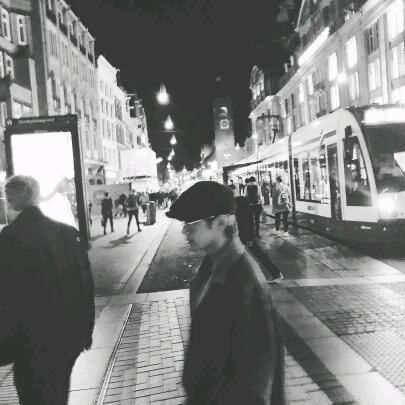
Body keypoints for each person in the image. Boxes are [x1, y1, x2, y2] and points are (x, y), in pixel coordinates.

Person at [166, 181, 285, 405]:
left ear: (220, 222)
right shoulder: (213, 266)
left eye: (191, 223)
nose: (184, 230)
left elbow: (254, 382)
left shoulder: (244, 282)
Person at [0, 175, 95, 405]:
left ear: (17, 198)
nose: (7, 201)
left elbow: (6, 293)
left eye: (8, 196)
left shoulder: (10, 237)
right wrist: (86, 329)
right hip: (68, 334)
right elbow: (85, 283)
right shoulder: (66, 233)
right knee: (59, 390)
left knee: (32, 394)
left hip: (31, 340)